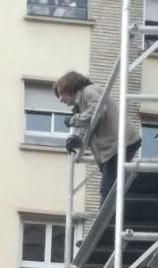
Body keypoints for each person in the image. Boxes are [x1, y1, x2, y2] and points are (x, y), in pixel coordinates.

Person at [55, 70, 141, 205]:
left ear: (69, 87)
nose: (60, 99)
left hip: (118, 144)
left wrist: (74, 120)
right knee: (111, 185)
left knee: (107, 188)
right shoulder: (82, 104)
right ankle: (112, 218)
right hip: (113, 148)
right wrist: (75, 140)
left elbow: (98, 110)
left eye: (61, 93)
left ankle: (107, 223)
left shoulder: (89, 91)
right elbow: (88, 130)